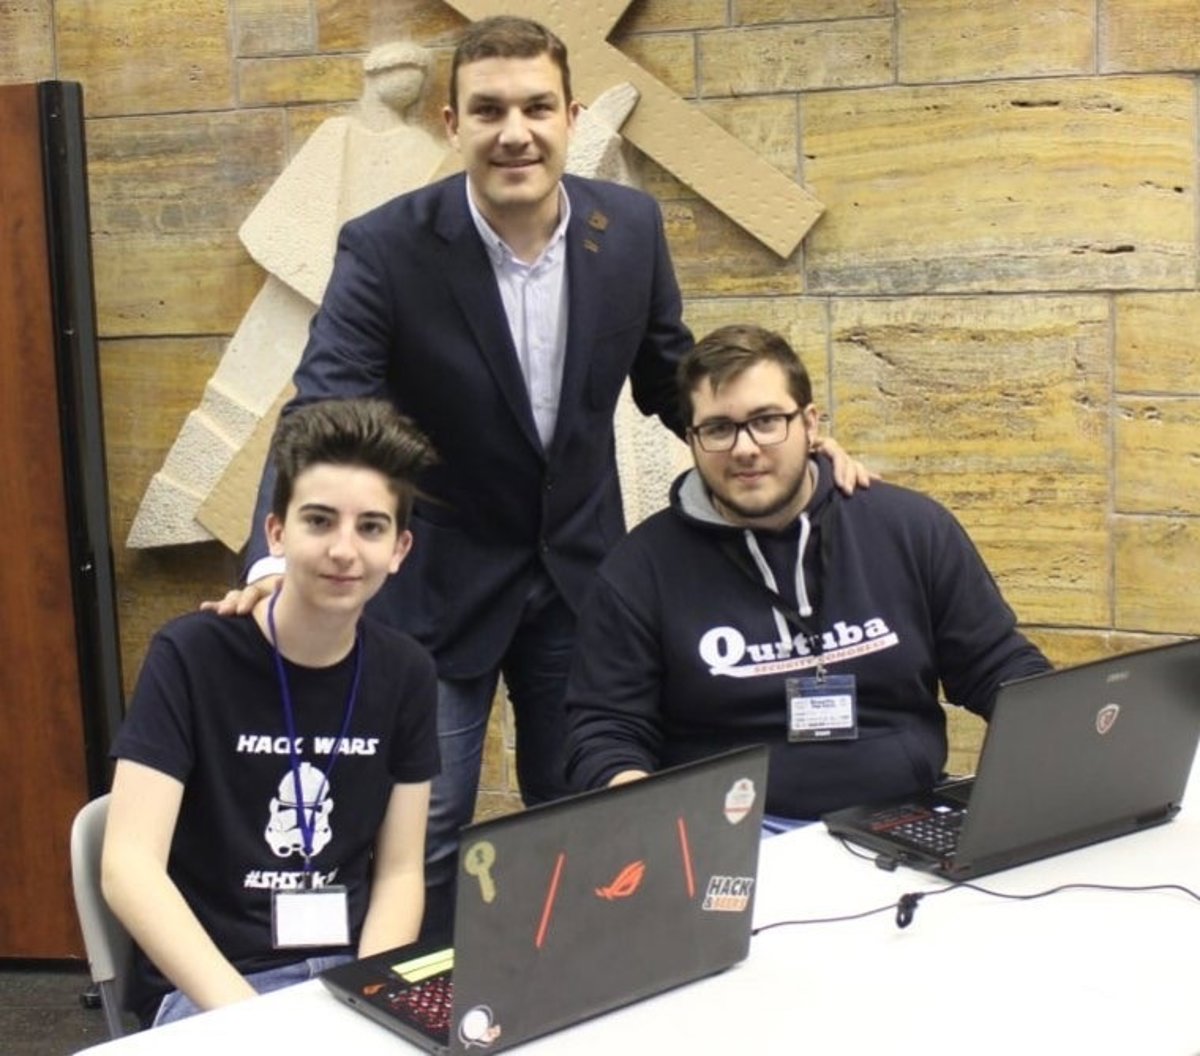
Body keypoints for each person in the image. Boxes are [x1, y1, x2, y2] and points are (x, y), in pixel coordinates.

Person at [209, 16, 868, 936]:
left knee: (583, 814)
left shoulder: (628, 229)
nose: (514, 132)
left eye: (536, 108)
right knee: (424, 831)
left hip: (578, 580)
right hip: (436, 591)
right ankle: (422, 996)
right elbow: (323, 407)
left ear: (570, 117)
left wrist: (785, 448)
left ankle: (576, 983)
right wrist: (277, 562)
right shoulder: (387, 247)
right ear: (453, 124)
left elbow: (669, 378)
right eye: (488, 111)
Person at [564, 324, 1051, 826]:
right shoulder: (638, 572)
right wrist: (651, 819)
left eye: (766, 420)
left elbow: (996, 666)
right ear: (692, 439)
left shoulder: (909, 529)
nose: (745, 447)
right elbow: (606, 734)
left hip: (906, 818)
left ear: (810, 424)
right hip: (739, 835)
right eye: (718, 429)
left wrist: (1062, 748)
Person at [102, 400, 440, 1026]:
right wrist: (255, 1023)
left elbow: (398, 873)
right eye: (319, 521)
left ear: (399, 549)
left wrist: (375, 1002)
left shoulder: (407, 673)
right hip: (213, 987)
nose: (344, 550)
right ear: (277, 534)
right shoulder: (191, 656)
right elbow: (128, 867)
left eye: (370, 527)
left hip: (349, 975)